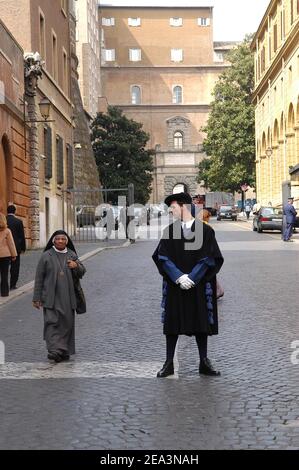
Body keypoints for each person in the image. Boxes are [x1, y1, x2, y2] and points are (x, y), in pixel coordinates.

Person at [152, 192, 224, 378]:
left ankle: (204, 361)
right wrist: (178, 277)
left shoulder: (205, 231)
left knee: (201, 323)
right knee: (172, 324)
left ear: (183, 206)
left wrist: (192, 278)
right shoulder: (169, 231)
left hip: (198, 285)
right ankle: (168, 363)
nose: (171, 211)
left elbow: (210, 257)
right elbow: (162, 257)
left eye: (173, 207)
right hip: (176, 286)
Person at [32, 230, 86, 362]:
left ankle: (63, 350)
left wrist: (76, 266)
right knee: (52, 323)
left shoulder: (72, 254)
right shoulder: (46, 255)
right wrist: (36, 298)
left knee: (66, 324)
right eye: (58, 239)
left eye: (63, 239)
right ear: (53, 241)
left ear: (67, 241)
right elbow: (39, 278)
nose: (60, 241)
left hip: (68, 296)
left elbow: (82, 271)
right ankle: (54, 350)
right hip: (50, 296)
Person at [6, 204, 26, 290]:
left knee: (4, 267)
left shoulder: (3, 221)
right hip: (16, 248)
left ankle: (3, 285)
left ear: (7, 211)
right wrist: (23, 248)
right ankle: (13, 285)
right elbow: (22, 236)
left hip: (4, 248)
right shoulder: (18, 221)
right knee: (15, 267)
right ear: (15, 211)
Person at [0, 213, 17, 297]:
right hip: (5, 255)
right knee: (4, 274)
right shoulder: (7, 230)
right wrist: (14, 255)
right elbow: (11, 243)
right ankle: (4, 293)